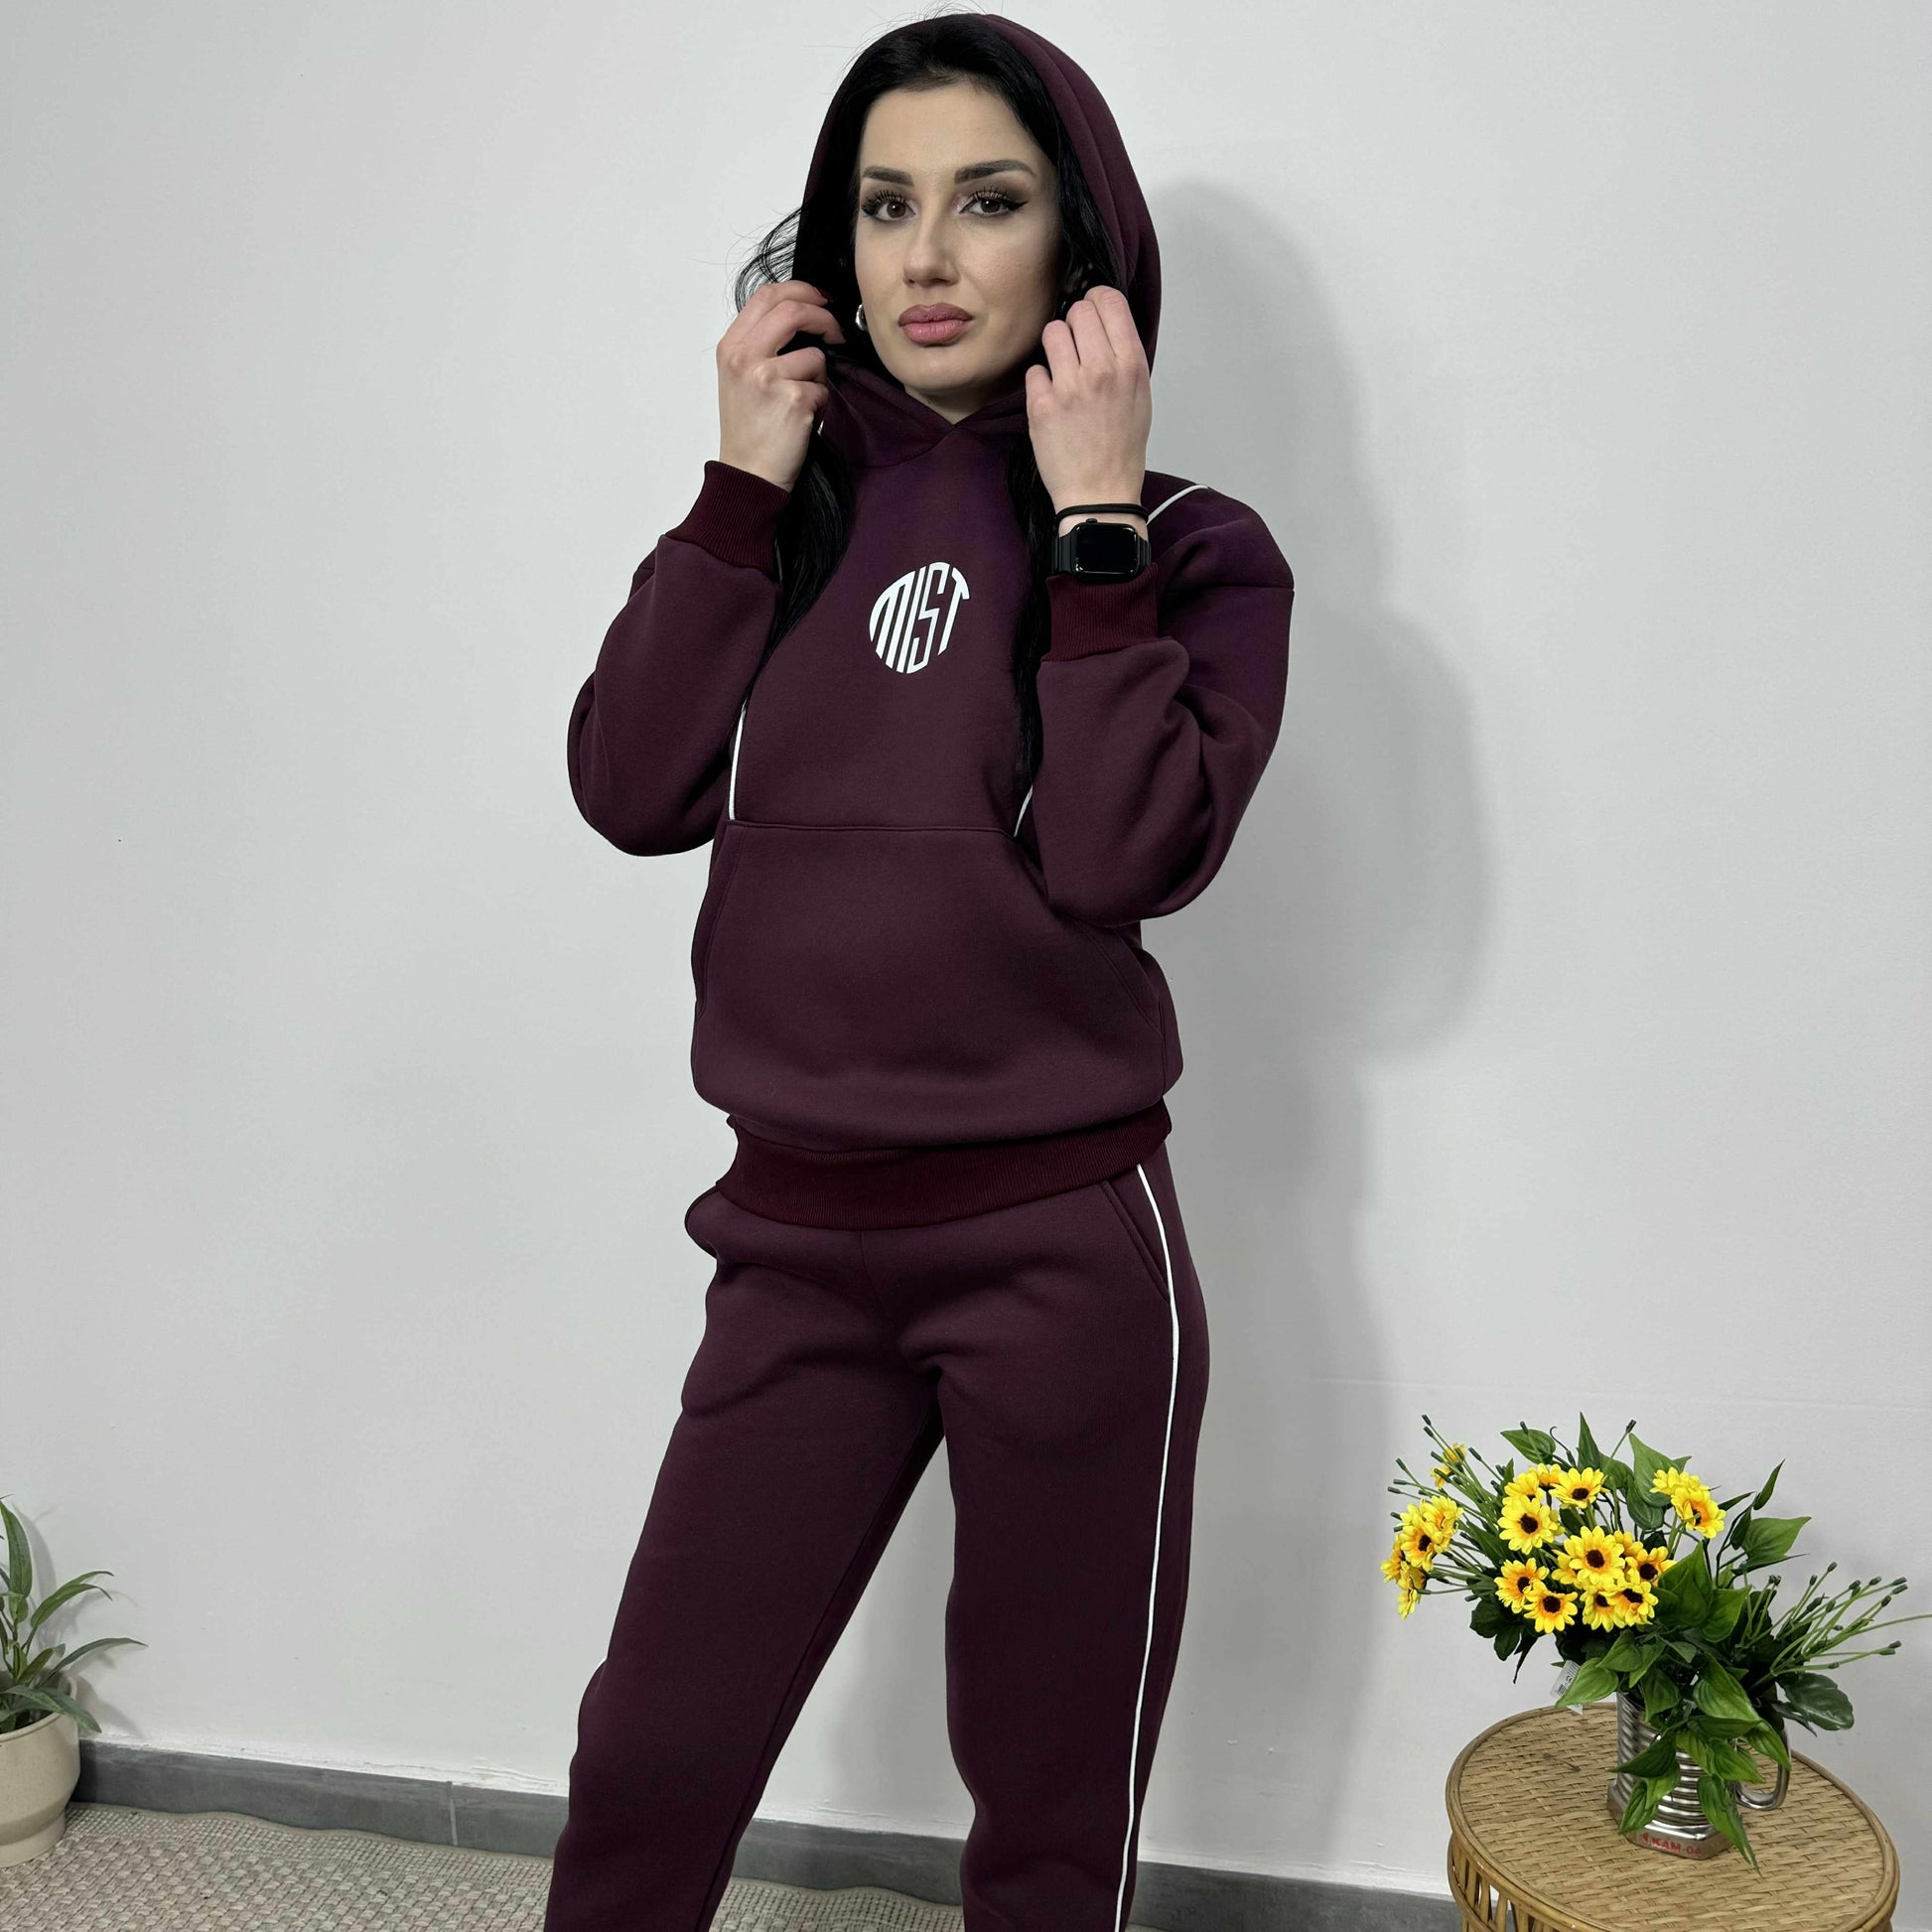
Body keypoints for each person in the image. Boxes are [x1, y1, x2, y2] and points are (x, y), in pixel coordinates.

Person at [543, 15, 1295, 1932]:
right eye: (884, 207)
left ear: (1078, 246)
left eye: (988, 201)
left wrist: (1094, 520)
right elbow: (629, 787)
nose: (928, 255)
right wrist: (736, 485)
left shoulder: (1192, 549)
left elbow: (1124, 855)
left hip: (1059, 1247)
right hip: (791, 1244)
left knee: (1044, 1817)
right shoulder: (776, 523)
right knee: (648, 1763)